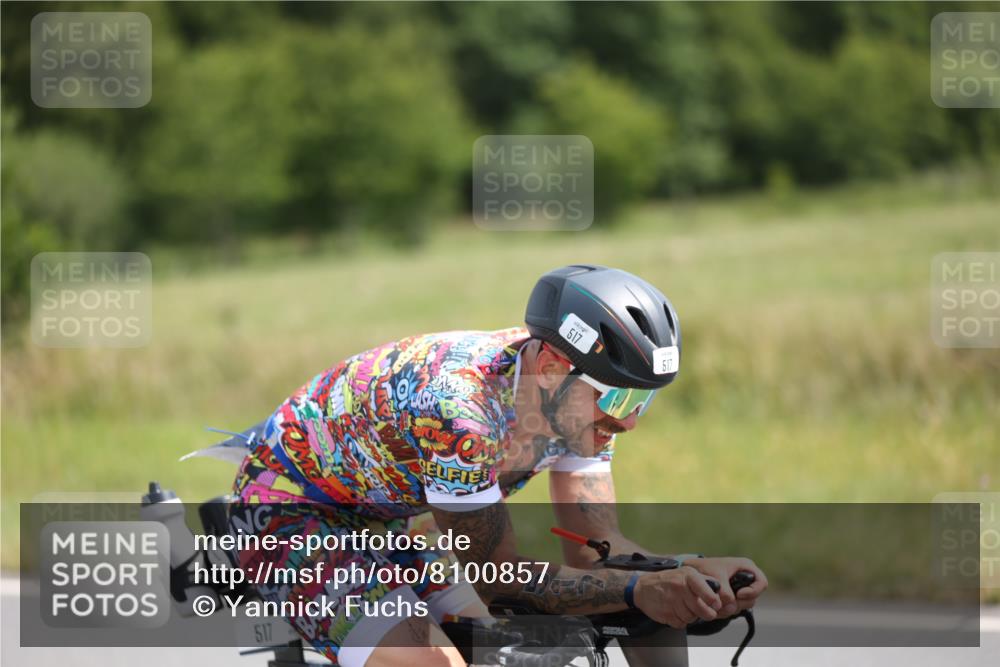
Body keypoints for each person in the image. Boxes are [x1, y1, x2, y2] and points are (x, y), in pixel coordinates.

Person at [228, 264, 767, 667]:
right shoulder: (460, 411)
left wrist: (684, 574)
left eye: (641, 403)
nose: (627, 424)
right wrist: (637, 590)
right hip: (287, 513)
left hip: (390, 516)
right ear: (554, 368)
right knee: (434, 664)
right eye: (622, 402)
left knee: (491, 651)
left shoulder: (577, 402)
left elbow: (596, 548)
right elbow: (498, 580)